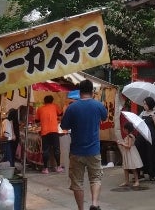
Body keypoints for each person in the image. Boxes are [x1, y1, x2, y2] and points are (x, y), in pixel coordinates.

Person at [60, 79, 108, 210]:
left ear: (79, 91)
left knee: (77, 182)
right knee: (96, 178)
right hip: (94, 149)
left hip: (76, 151)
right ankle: (94, 204)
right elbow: (104, 117)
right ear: (92, 91)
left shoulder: (72, 107)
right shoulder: (98, 105)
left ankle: (81, 208)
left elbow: (64, 126)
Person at [36, 94, 64, 174]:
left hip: (44, 132)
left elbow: (36, 121)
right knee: (56, 150)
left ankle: (45, 168)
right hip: (54, 131)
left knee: (45, 151)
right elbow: (60, 114)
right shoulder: (55, 106)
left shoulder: (40, 109)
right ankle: (58, 167)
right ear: (52, 101)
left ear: (44, 101)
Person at [137, 97, 155, 180]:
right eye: (143, 104)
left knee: (151, 154)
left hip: (152, 137)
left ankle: (152, 173)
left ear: (149, 104)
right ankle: (141, 173)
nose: (144, 105)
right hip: (143, 136)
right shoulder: (142, 113)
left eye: (145, 104)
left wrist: (154, 117)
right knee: (142, 153)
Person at [116, 123, 143, 188]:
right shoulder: (128, 136)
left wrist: (121, 143)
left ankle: (137, 181)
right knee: (126, 167)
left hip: (130, 153)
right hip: (127, 153)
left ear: (127, 129)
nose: (123, 130)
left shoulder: (130, 136)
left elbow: (129, 146)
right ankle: (126, 181)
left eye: (124, 129)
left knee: (133, 167)